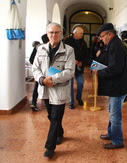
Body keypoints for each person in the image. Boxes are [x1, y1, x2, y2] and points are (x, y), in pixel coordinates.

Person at [32, 22, 75, 158]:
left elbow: (69, 71)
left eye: (57, 32)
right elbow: (35, 68)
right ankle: (60, 132)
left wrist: (53, 79)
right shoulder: (41, 49)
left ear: (61, 34)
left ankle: (50, 147)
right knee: (51, 116)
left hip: (59, 89)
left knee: (56, 118)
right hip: (44, 89)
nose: (53, 35)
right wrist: (42, 80)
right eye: (51, 32)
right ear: (47, 34)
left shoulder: (69, 50)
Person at [94, 23, 127, 149]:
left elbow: (115, 69)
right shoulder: (113, 44)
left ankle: (117, 141)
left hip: (118, 87)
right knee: (112, 112)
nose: (101, 39)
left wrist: (99, 72)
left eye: (102, 36)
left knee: (115, 116)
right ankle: (111, 134)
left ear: (109, 34)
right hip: (117, 86)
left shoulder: (116, 46)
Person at [64, 24, 88, 109]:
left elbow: (86, 55)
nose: (82, 35)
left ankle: (79, 97)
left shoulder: (83, 42)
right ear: (75, 33)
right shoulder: (67, 42)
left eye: (82, 33)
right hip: (69, 67)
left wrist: (81, 62)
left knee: (80, 83)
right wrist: (71, 61)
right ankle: (71, 102)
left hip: (79, 67)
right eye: (80, 33)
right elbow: (63, 54)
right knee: (70, 85)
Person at [29, 41, 40, 111]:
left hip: (39, 71)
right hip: (49, 71)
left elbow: (31, 59)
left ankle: (33, 102)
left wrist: (37, 66)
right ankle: (48, 102)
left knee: (36, 87)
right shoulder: (53, 47)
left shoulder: (37, 47)